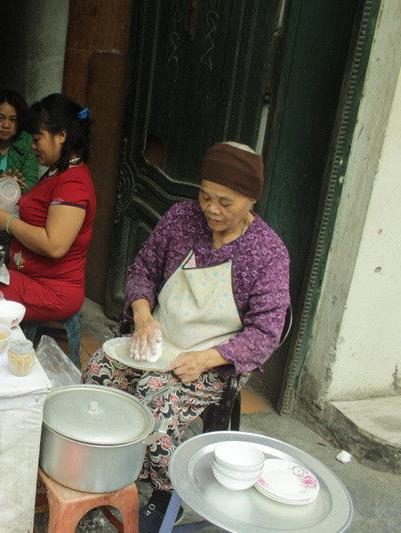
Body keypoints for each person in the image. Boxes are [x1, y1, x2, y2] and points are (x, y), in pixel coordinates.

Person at [81, 142, 290, 532]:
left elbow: (266, 333)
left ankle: (166, 493)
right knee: (98, 373)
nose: (211, 208)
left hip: (211, 358)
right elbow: (141, 270)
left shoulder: (268, 252)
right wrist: (143, 315)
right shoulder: (180, 218)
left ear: (251, 199)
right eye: (205, 195)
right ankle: (105, 470)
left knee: (156, 401)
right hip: (156, 340)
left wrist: (206, 359)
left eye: (225, 202)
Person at [0, 93, 96, 323]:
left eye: (37, 139)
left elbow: (54, 245)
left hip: (51, 290)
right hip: (29, 278)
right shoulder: (58, 170)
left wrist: (8, 221)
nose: (33, 146)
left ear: (61, 136)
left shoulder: (73, 184)